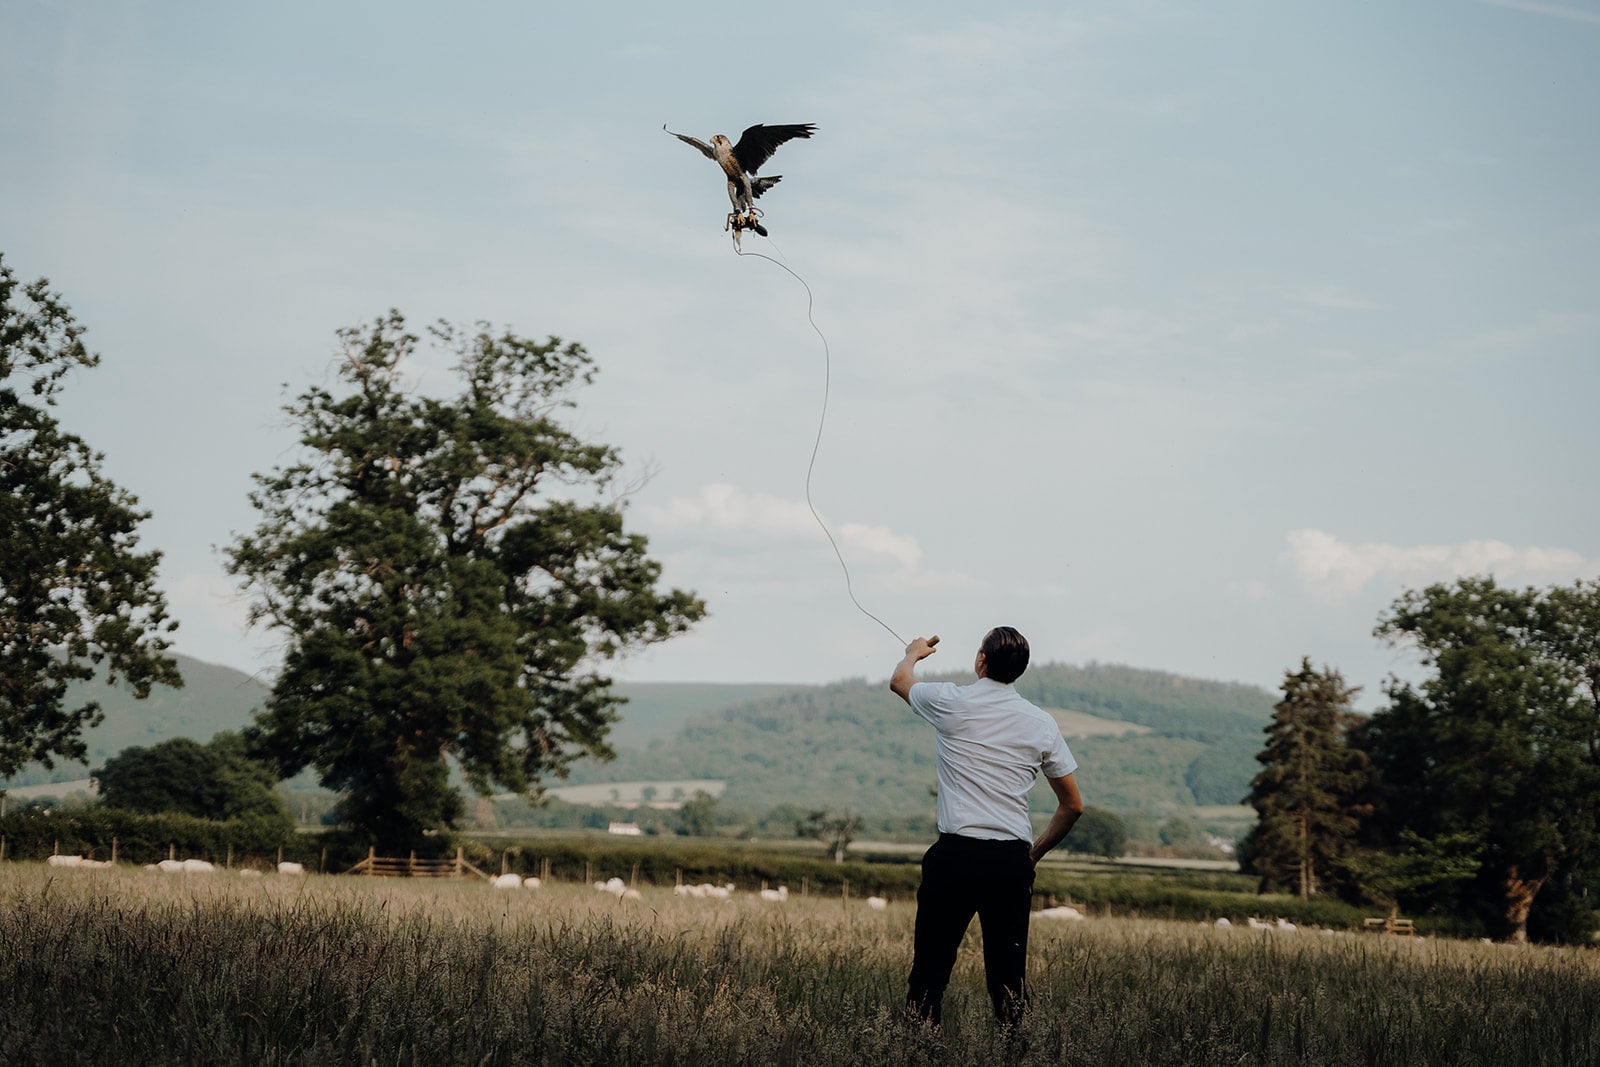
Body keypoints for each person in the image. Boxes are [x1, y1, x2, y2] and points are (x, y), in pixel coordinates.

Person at [889, 626, 1084, 1027]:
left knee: (928, 976)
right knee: (1009, 983)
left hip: (955, 856)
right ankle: (1014, 1051)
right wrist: (1032, 854)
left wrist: (913, 653)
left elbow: (900, 681)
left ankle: (918, 1049)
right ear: (1020, 670)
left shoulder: (950, 701)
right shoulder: (1042, 723)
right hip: (1010, 862)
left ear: (981, 660)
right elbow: (1072, 806)